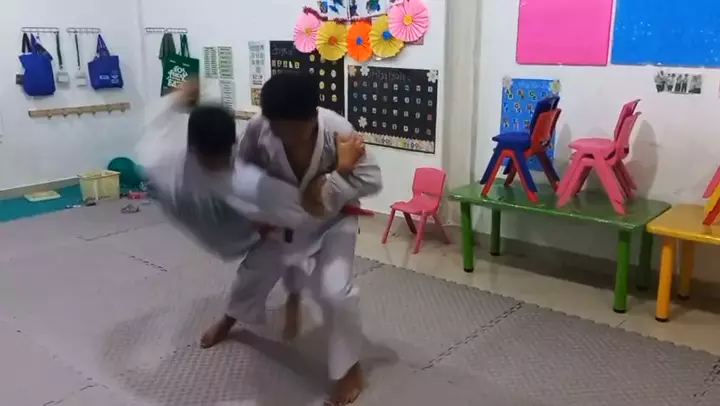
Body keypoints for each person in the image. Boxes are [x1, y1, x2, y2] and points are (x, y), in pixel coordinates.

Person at [200, 72, 382, 405]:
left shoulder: (339, 132)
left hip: (332, 221)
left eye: (293, 131)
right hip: (283, 218)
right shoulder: (259, 128)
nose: (286, 137)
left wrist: (333, 179)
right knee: (253, 272)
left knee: (336, 293)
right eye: (278, 129)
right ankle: (230, 318)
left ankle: (348, 368)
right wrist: (254, 213)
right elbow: (242, 171)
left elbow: (372, 180)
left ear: (313, 118)